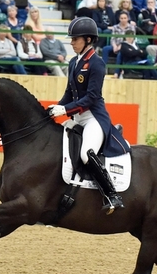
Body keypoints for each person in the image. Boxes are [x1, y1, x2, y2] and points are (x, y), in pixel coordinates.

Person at [47, 17, 129, 214]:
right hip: (77, 117)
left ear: (89, 40)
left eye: (75, 39)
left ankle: (111, 195)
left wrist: (65, 110)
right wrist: (56, 108)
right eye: (72, 39)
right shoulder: (74, 62)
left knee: (85, 153)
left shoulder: (97, 63)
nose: (72, 42)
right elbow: (69, 93)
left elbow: (92, 98)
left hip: (94, 118)